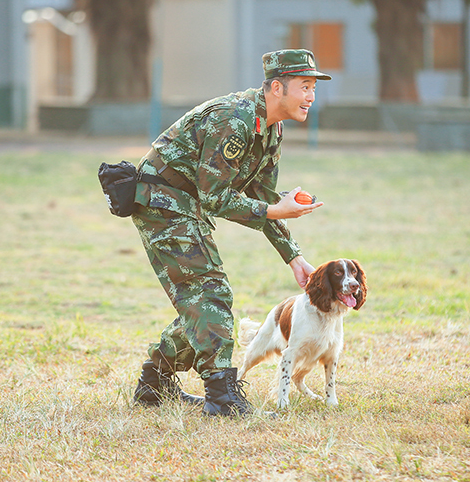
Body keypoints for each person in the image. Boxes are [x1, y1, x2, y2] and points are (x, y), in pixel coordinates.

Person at [131, 49, 330, 416]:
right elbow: (215, 197)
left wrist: (294, 256)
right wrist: (273, 209)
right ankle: (221, 397)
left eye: (313, 87)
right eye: (304, 86)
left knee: (202, 302)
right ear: (276, 88)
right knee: (209, 292)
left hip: (187, 203)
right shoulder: (234, 120)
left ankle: (153, 384)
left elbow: (262, 196)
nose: (310, 96)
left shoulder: (271, 129)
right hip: (162, 199)